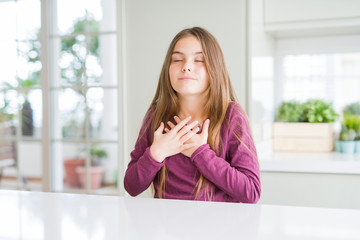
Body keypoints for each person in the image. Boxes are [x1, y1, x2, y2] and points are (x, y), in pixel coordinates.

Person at [124, 27, 261, 203]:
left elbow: (251, 192)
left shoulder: (231, 115)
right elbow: (131, 186)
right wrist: (157, 152)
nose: (186, 67)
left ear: (215, 69)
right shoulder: (156, 115)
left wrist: (201, 153)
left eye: (199, 60)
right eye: (177, 59)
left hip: (220, 229)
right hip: (168, 229)